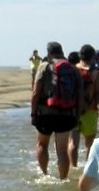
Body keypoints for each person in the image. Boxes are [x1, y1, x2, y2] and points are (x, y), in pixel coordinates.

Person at [31, 41, 84, 180]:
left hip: (45, 113)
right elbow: (80, 95)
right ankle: (63, 179)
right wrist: (77, 116)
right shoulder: (73, 69)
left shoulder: (44, 66)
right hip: (66, 115)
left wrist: (33, 113)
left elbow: (36, 92)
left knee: (42, 144)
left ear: (49, 53)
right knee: (62, 151)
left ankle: (44, 174)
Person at [69, 45, 99, 167]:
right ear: (93, 57)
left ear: (80, 55)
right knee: (89, 144)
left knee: (73, 143)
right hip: (90, 111)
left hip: (73, 111)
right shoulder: (95, 73)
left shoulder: (72, 70)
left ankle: (73, 166)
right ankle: (87, 168)